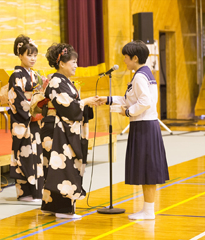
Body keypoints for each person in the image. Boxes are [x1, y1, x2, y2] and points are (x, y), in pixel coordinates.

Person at [98, 40, 169, 220]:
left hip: (144, 125)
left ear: (135, 58)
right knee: (147, 169)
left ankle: (148, 211)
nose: (124, 61)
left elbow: (145, 102)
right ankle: (148, 210)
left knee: (147, 170)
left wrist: (128, 112)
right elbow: (130, 99)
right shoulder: (145, 73)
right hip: (145, 125)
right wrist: (107, 99)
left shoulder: (139, 76)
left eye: (126, 58)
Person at [39, 43, 98, 219]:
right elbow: (68, 108)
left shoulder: (63, 81)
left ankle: (52, 205)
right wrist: (85, 101)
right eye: (73, 62)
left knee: (55, 167)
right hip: (57, 128)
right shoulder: (56, 81)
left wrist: (87, 103)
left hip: (59, 127)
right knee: (62, 168)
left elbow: (72, 106)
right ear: (62, 63)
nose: (76, 65)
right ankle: (62, 209)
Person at [8, 35, 45, 201]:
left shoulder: (35, 74)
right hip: (23, 121)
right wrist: (31, 110)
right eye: (29, 55)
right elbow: (17, 99)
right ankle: (24, 192)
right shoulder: (16, 75)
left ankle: (36, 191)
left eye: (35, 55)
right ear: (20, 55)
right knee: (24, 154)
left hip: (35, 119)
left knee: (36, 154)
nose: (33, 58)